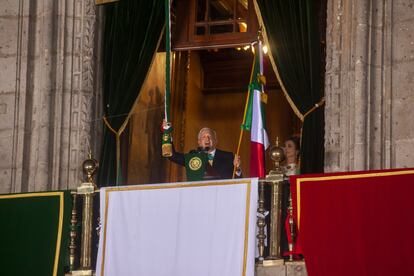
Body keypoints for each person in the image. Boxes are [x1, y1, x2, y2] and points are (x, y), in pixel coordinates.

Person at [162, 121, 242, 179]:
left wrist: (237, 169)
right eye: (203, 137)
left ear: (216, 141)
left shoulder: (228, 157)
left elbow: (238, 181)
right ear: (199, 142)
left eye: (209, 137)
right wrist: (167, 133)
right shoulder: (192, 156)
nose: (207, 139)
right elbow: (172, 155)